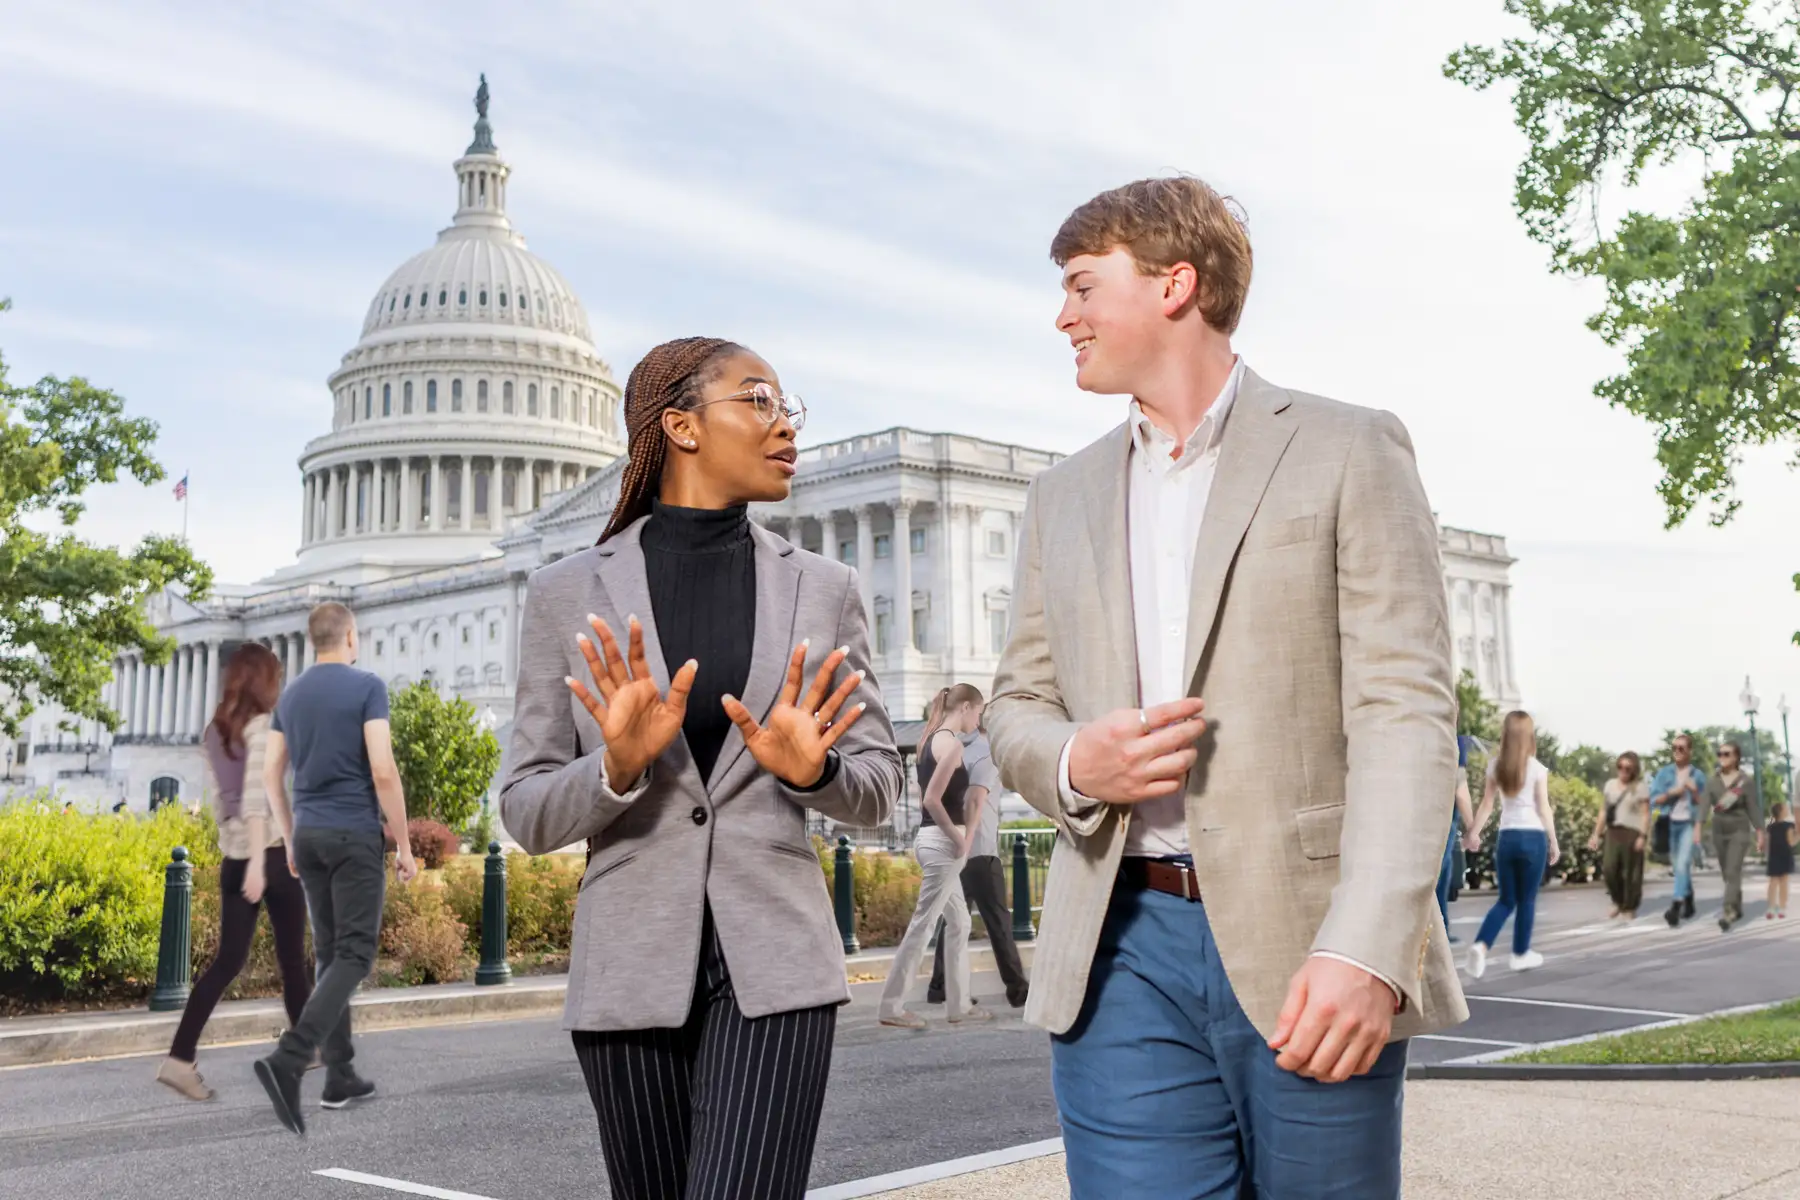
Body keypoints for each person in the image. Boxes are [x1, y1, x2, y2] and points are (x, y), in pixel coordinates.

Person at [985, 176, 1466, 1198]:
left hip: (1312, 941)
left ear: (1175, 285)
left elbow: (1405, 717)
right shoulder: (1059, 495)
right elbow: (1014, 705)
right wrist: (1078, 759)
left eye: (1081, 285)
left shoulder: (1349, 447)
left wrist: (1372, 947)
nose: (1061, 315)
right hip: (1119, 947)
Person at [500, 337, 901, 1200]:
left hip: (777, 966)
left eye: (788, 406)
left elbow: (879, 787)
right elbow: (526, 811)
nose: (785, 425)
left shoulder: (826, 588)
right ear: (679, 425)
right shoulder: (565, 591)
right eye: (759, 401)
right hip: (629, 968)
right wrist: (613, 767)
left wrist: (812, 772)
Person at [254, 601, 417, 1136]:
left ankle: (339, 1075)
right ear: (350, 636)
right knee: (355, 952)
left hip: (311, 835)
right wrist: (404, 843)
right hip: (352, 833)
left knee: (329, 954)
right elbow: (382, 768)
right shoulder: (367, 685)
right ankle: (290, 1056)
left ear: (311, 640)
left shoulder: (292, 696)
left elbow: (271, 771)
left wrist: (291, 835)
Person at [157, 644, 311, 1101]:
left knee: (229, 962)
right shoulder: (263, 727)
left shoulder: (214, 732)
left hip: (234, 857)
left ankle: (179, 1059)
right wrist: (263, 864)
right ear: (265, 681)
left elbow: (226, 806)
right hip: (266, 859)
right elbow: (256, 797)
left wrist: (245, 855)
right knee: (291, 961)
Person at [878, 685, 993, 1028]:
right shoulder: (952, 743)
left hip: (932, 841)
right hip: (943, 845)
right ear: (967, 707)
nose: (979, 719)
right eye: (979, 712)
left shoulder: (928, 739)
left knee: (960, 922)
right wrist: (960, 837)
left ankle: (958, 1006)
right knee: (924, 924)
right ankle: (891, 1008)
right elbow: (932, 800)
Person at [926, 725, 1030, 1009]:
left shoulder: (956, 752)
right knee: (999, 923)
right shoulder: (986, 753)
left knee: (954, 921)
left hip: (955, 848)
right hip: (980, 850)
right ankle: (1018, 990)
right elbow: (974, 799)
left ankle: (940, 986)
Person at [1466, 711, 1559, 977]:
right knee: (1527, 900)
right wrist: (1553, 841)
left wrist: (1474, 833)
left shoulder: (1495, 766)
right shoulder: (1537, 769)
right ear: (1529, 736)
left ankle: (1481, 947)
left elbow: (1486, 805)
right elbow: (1544, 808)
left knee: (1506, 900)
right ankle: (1520, 954)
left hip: (1507, 838)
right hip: (1532, 837)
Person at [1705, 741, 1765, 930]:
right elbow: (1704, 806)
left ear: (1736, 757)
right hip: (1719, 829)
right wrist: (1697, 826)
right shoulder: (1712, 781)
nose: (1722, 757)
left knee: (1732, 871)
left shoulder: (1744, 782)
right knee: (1727, 873)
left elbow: (1753, 809)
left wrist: (1760, 832)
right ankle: (1737, 908)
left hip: (1739, 828)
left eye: (1727, 754)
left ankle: (1729, 911)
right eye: (1720, 753)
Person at [1649, 734, 1707, 926]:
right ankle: (1689, 901)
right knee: (1678, 866)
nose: (1677, 752)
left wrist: (1694, 791)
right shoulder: (1664, 774)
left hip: (1688, 824)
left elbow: (1706, 804)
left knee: (1682, 864)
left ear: (1690, 751)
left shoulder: (1697, 776)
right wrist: (1670, 793)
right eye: (1674, 748)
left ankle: (1676, 906)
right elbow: (1652, 799)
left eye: (1681, 748)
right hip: (1670, 822)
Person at [1587, 751, 1651, 919]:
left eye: (1627, 768)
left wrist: (1642, 836)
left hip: (1632, 832)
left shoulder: (1640, 787)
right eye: (1620, 767)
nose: (1623, 770)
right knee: (1609, 870)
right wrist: (1596, 834)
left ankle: (1629, 906)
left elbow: (1645, 814)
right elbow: (1603, 811)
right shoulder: (1610, 785)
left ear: (1634, 770)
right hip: (1613, 832)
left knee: (1632, 873)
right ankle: (1617, 900)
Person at [1437, 736, 1480, 943]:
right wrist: (1473, 826)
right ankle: (1437, 933)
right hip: (1441, 818)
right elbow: (1460, 786)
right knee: (1440, 873)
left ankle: (1441, 928)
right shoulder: (1453, 738)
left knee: (1441, 873)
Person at [1765, 801, 1796, 919]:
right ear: (1782, 812)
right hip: (1785, 856)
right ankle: (1782, 908)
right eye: (1786, 808)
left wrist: (1767, 856)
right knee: (1784, 883)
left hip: (1773, 856)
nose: (1788, 809)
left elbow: (1767, 844)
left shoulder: (1770, 827)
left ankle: (1771, 908)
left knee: (1773, 883)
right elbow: (1791, 842)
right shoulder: (1788, 825)